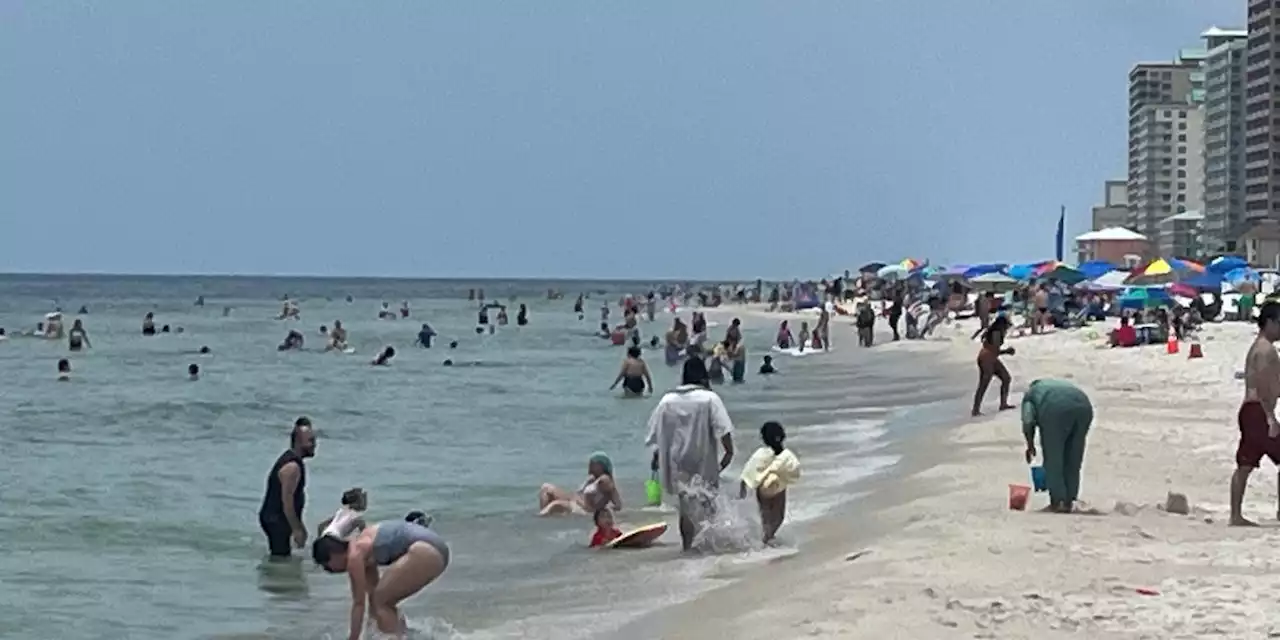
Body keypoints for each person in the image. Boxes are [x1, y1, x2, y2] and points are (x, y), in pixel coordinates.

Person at [645, 358, 735, 551]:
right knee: (708, 502)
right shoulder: (709, 399)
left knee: (685, 506)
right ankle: (709, 544)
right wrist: (728, 452)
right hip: (703, 458)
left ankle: (687, 547)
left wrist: (656, 456)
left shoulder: (667, 401)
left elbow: (658, 433)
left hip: (677, 461)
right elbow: (724, 429)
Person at [311, 518, 450, 640]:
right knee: (381, 601)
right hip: (435, 549)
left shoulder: (355, 556)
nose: (330, 571)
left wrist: (353, 638)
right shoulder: (363, 551)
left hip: (426, 550)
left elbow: (359, 604)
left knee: (381, 602)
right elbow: (371, 596)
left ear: (333, 555)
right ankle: (401, 633)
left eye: (327, 567)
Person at [1231, 302, 1280, 526]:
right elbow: (1261, 384)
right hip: (1258, 412)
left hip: (1252, 411)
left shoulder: (1259, 347)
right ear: (1269, 322)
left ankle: (1236, 515)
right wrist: (1270, 417)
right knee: (1245, 464)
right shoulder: (1265, 349)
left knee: (1245, 464)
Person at [1021, 379, 1093, 513]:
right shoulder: (1057, 386)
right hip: (1084, 406)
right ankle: (1071, 500)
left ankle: (1058, 501)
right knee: (1073, 457)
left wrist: (1030, 444)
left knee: (1054, 458)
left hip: (1054, 409)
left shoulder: (1030, 395)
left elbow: (1028, 420)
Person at [259, 418, 317, 558]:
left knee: (281, 556)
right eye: (310, 441)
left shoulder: (293, 462)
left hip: (276, 519)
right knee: (281, 558)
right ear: (298, 442)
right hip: (276, 520)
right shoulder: (292, 467)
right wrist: (297, 528)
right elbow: (287, 502)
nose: (314, 445)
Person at [739, 421, 800, 543]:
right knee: (778, 517)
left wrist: (743, 487)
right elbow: (792, 468)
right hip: (778, 487)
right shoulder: (785, 454)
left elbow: (748, 471)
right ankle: (768, 538)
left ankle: (765, 539)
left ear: (764, 438)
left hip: (763, 489)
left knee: (765, 518)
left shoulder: (760, 453)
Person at [538, 452, 622, 516]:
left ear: (601, 465)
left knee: (556, 504)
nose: (589, 465)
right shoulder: (593, 478)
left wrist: (600, 511)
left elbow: (618, 505)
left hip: (583, 509)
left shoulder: (605, 480)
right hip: (576, 501)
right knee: (546, 488)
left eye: (593, 463)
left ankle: (540, 517)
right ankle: (544, 514)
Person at [971, 315, 1016, 417]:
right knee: (984, 384)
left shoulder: (995, 331)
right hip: (988, 358)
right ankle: (976, 409)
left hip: (989, 357)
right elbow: (995, 349)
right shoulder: (996, 333)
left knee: (1006, 378)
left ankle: (1003, 404)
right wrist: (1007, 351)